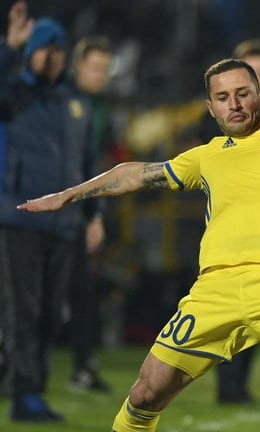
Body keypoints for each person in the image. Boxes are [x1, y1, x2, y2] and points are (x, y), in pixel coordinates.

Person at [19, 58, 260, 432]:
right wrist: (69, 194)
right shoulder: (206, 157)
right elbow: (138, 173)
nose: (234, 104)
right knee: (145, 394)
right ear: (211, 107)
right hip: (214, 292)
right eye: (223, 97)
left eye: (243, 94)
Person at [0, 1, 101, 422]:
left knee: (50, 312)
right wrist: (10, 47)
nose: (51, 57)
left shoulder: (76, 104)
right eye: (44, 48)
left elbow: (89, 167)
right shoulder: (13, 95)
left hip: (66, 225)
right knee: (23, 310)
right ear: (30, 52)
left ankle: (31, 388)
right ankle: (25, 393)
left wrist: (94, 216)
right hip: (19, 219)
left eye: (58, 50)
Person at [212, 37, 260, 405]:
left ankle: (239, 385)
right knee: (228, 313)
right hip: (227, 229)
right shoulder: (220, 119)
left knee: (257, 313)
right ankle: (227, 384)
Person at [67, 34, 115, 393]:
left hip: (83, 209)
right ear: (78, 66)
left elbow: (99, 166)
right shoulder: (60, 101)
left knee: (84, 290)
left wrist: (95, 214)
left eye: (105, 69)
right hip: (51, 208)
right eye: (94, 67)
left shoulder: (100, 110)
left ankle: (83, 366)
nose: (100, 75)